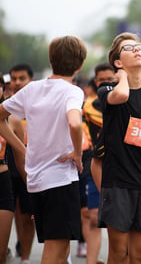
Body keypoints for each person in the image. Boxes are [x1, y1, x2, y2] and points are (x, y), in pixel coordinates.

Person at [0, 35, 87, 264]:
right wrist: (78, 154)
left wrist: (21, 148)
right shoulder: (73, 91)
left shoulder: (32, 89)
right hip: (60, 180)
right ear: (79, 66)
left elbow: (0, 116)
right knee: (56, 251)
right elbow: (75, 122)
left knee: (59, 249)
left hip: (37, 180)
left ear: (51, 60)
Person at [97, 32, 141, 264]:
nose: (137, 50)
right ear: (117, 62)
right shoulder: (108, 90)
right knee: (118, 254)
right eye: (129, 49)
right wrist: (122, 77)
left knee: (140, 257)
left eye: (139, 47)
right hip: (118, 183)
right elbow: (122, 95)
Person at [82, 63, 115, 264]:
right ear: (96, 82)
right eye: (102, 80)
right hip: (96, 165)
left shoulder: (125, 102)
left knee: (118, 221)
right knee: (92, 216)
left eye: (110, 79)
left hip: (123, 168)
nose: (106, 83)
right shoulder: (88, 107)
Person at [7, 64, 35, 263]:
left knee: (27, 213)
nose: (17, 82)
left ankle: (25, 256)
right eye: (14, 79)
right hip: (7, 165)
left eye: (21, 78)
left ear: (30, 81)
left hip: (30, 165)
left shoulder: (37, 106)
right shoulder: (6, 107)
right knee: (13, 210)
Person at [0, 72, 26, 264]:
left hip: (3, 183)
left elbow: (22, 158)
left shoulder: (13, 120)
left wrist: (33, 191)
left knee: (0, 252)